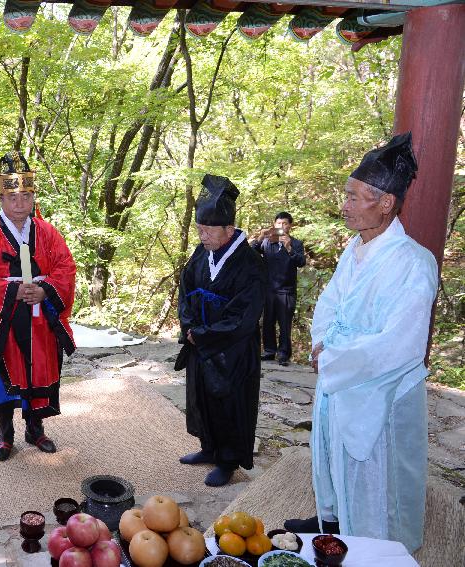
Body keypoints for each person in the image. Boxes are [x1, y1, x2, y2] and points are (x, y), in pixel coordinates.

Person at [285, 133, 437, 553]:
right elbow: (330, 302)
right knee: (332, 452)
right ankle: (331, 518)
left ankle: (374, 544)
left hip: (379, 384)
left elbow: (402, 343)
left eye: (354, 197)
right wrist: (322, 344)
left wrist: (336, 357)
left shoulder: (414, 261)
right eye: (346, 196)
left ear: (386, 202)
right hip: (341, 367)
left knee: (375, 473)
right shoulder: (354, 248)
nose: (345, 206)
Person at [0, 151, 76, 462]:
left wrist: (45, 290)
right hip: (2, 319)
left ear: (33, 197)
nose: (19, 203)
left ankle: (35, 429)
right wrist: (12, 291)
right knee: (3, 377)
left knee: (37, 371)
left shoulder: (47, 232)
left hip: (40, 317)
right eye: (12, 196)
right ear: (0, 198)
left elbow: (66, 266)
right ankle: (5, 435)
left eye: (26, 195)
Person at [176, 174, 266, 487]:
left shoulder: (251, 264)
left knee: (229, 402)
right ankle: (208, 447)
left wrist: (203, 334)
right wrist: (188, 326)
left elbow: (243, 316)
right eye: (199, 229)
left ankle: (227, 460)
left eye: (208, 230)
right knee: (202, 397)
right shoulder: (202, 254)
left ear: (229, 229)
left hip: (232, 350)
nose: (201, 236)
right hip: (200, 342)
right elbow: (185, 289)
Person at [250, 212, 306, 365]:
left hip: (287, 291)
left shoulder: (296, 243)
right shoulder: (268, 242)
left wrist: (289, 248)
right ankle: (269, 351)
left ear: (290, 226)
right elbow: (250, 253)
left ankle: (283, 354)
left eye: (285, 223)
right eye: (279, 223)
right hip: (268, 289)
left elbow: (301, 262)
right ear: (274, 225)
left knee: (285, 324)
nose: (281, 226)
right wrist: (260, 238)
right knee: (268, 322)